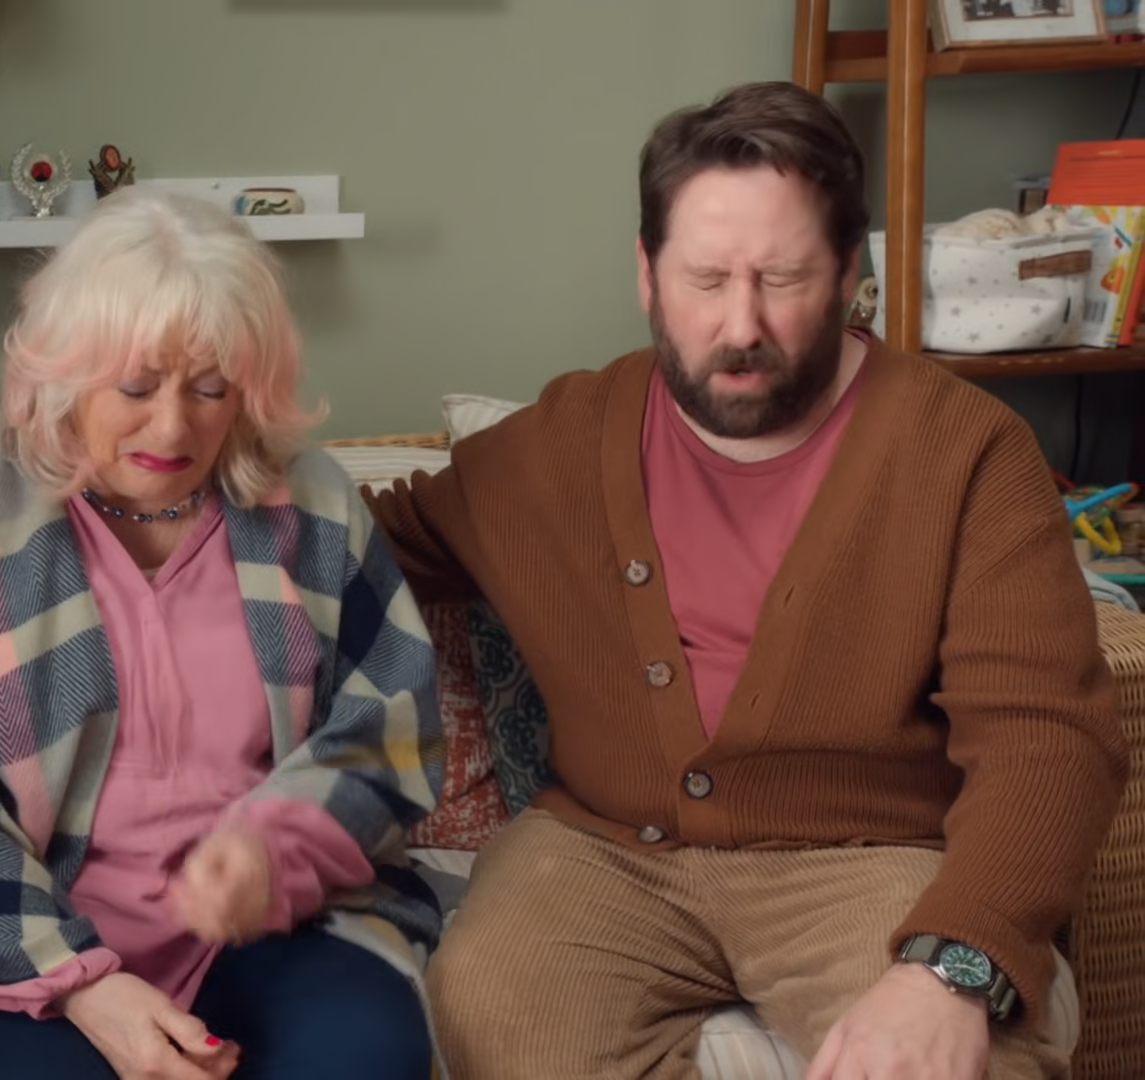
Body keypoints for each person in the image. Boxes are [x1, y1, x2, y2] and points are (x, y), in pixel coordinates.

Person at [366, 81, 1130, 1080]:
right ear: (646, 274)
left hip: (868, 859)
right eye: (705, 278)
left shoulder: (967, 450)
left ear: (848, 272)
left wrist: (950, 969)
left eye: (782, 278)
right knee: (489, 1013)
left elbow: (1049, 736)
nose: (741, 324)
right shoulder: (557, 445)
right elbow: (350, 547)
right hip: (601, 852)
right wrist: (177, 500)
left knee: (966, 1063)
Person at [0, 188, 444, 1080]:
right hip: (10, 946)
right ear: (65, 370)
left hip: (273, 924)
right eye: (135, 386)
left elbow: (388, 726)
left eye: (210, 388)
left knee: (365, 1056)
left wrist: (275, 846)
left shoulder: (310, 504)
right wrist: (80, 981)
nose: (173, 426)